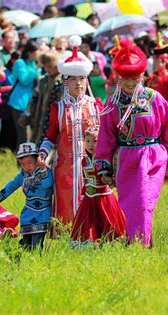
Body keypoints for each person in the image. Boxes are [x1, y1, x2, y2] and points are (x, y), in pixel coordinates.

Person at [95, 43, 168, 247]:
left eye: (134, 78)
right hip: (126, 158)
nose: (130, 83)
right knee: (128, 203)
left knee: (144, 202)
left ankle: (140, 244)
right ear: (119, 77)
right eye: (125, 79)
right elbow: (106, 137)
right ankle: (134, 241)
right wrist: (104, 166)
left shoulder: (155, 98)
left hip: (152, 157)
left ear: (142, 76)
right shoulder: (113, 103)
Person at [38, 35, 103, 231]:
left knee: (91, 198)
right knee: (66, 202)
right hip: (65, 166)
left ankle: (91, 234)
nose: (78, 83)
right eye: (73, 79)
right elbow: (50, 137)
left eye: (82, 78)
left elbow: (106, 137)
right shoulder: (58, 107)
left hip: (91, 165)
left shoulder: (96, 106)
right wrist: (43, 154)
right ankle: (67, 236)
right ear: (65, 82)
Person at [71, 127, 126, 246]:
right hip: (89, 198)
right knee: (87, 224)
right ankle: (90, 243)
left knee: (108, 222)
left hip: (104, 198)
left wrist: (110, 180)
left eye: (95, 141)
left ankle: (110, 242)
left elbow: (113, 176)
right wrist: (82, 195)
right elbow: (86, 181)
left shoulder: (104, 159)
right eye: (88, 141)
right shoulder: (84, 161)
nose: (91, 145)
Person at [0, 143, 54, 251]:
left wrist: (43, 168)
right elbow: (11, 186)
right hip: (28, 212)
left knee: (36, 243)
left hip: (43, 212)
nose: (27, 166)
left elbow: (47, 184)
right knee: (26, 243)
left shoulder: (46, 171)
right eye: (23, 164)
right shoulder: (23, 174)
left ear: (38, 159)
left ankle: (37, 262)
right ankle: (12, 249)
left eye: (29, 162)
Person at [20, 52, 63, 146]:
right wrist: (28, 114)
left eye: (50, 66)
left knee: (51, 147)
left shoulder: (62, 81)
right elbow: (34, 98)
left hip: (54, 120)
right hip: (40, 118)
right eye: (45, 66)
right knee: (36, 144)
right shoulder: (43, 80)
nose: (47, 69)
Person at [9, 41, 40, 148]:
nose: (39, 54)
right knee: (23, 135)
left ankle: (28, 160)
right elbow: (24, 80)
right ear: (30, 52)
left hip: (32, 104)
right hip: (19, 104)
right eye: (37, 51)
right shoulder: (19, 63)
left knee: (32, 135)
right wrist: (35, 69)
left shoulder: (35, 64)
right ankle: (21, 162)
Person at [147, 33, 168, 107]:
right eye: (154, 60)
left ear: (163, 62)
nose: (154, 63)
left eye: (156, 60)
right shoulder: (151, 79)